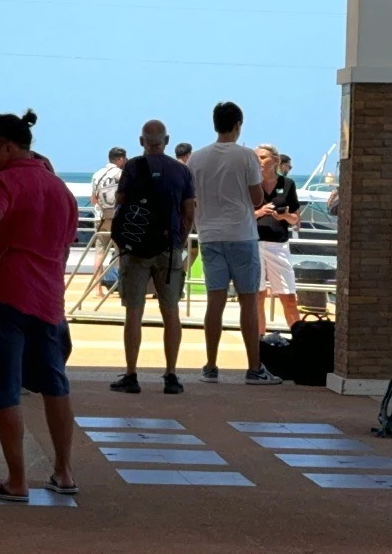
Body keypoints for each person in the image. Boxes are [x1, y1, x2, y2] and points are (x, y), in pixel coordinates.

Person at [0, 109, 79, 502]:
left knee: (4, 387)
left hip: (7, 295)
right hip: (49, 299)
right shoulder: (59, 188)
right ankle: (64, 471)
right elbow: (65, 243)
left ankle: (17, 479)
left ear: (7, 147)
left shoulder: (3, 182)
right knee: (55, 385)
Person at [188, 101, 282, 386]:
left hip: (209, 235)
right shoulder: (245, 157)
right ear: (238, 124)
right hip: (241, 234)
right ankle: (254, 368)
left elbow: (192, 196)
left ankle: (210, 366)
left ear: (214, 123)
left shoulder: (197, 158)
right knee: (248, 301)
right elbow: (256, 199)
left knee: (214, 301)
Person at [109, 120, 195, 395]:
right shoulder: (181, 171)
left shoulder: (133, 167)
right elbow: (189, 211)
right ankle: (171, 375)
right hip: (168, 250)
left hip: (135, 250)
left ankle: (131, 374)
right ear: (166, 140)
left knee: (134, 312)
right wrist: (178, 241)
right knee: (171, 312)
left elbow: (121, 202)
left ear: (141, 141)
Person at [254, 144, 302, 336]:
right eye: (256, 157)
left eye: (263, 157)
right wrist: (259, 212)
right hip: (253, 244)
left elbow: (296, 219)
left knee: (289, 297)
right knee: (257, 297)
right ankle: (258, 343)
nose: (258, 161)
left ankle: (300, 341)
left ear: (275, 161)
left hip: (278, 245)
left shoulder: (288, 184)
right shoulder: (250, 184)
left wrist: (285, 216)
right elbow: (239, 217)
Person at [89, 147, 126, 296]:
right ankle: (122, 286)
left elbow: (93, 199)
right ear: (120, 159)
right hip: (116, 218)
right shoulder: (119, 173)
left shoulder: (97, 174)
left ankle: (97, 288)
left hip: (100, 217)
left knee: (100, 252)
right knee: (120, 252)